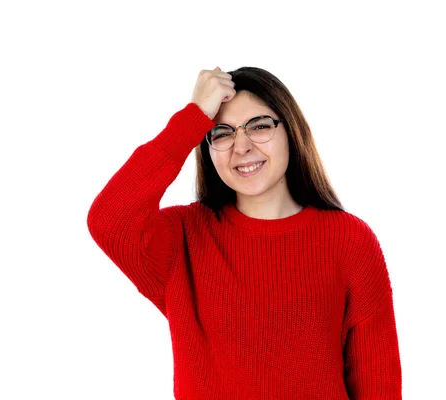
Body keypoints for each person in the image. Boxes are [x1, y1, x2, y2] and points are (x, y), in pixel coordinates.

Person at [87, 66, 402, 399]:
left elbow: (378, 383)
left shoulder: (349, 239)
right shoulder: (183, 239)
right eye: (221, 132)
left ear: (291, 131)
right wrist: (191, 119)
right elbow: (109, 219)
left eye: (260, 126)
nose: (241, 146)